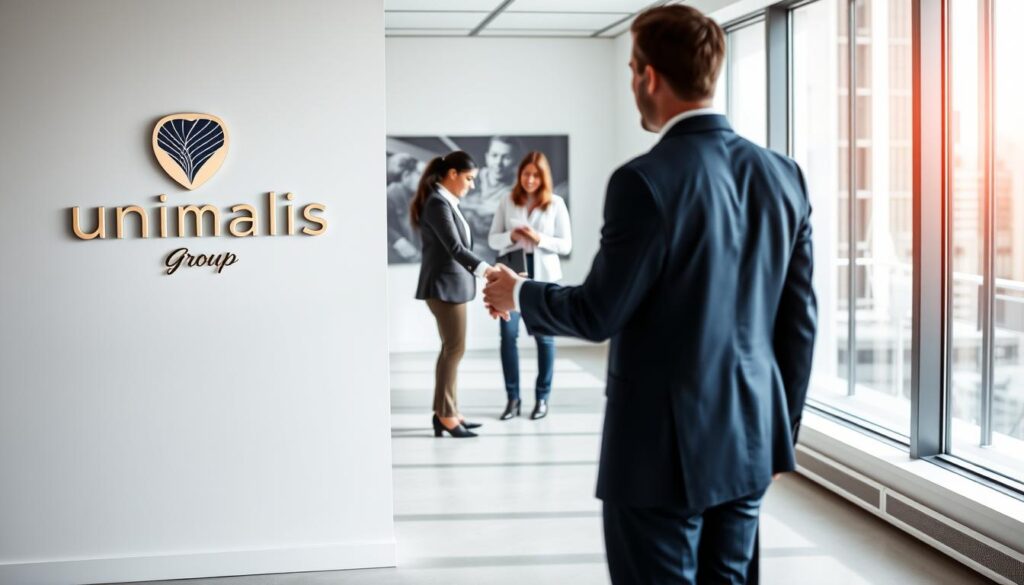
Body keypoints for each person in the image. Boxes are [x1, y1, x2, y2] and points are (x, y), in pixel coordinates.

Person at [483, 5, 816, 584]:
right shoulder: (783, 175)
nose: (633, 81)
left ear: (649, 77)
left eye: (632, 68)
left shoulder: (643, 180)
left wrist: (520, 292)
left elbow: (598, 313)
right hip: (750, 441)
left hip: (661, 453)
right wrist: (779, 437)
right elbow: (799, 323)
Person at [411, 150, 497, 438]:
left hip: (451, 286)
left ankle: (448, 412)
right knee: (454, 350)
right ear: (452, 174)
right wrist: (488, 271)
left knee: (451, 350)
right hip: (443, 287)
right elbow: (456, 248)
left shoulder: (446, 201)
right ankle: (446, 416)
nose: (472, 185)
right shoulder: (438, 203)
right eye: (469, 178)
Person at [488, 152, 572, 421]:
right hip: (515, 273)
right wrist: (511, 236)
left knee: (545, 338)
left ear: (543, 177)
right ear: (520, 174)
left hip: (544, 277)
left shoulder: (556, 203)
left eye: (536, 175)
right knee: (508, 336)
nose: (531, 179)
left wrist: (539, 239)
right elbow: (492, 240)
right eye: (526, 174)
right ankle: (513, 399)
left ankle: (542, 399)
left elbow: (566, 245)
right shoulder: (507, 201)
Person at [461, 136, 521, 263]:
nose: (498, 163)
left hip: (491, 253)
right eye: (494, 155)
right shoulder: (471, 178)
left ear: (515, 161)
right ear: (487, 157)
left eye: (506, 157)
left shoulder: (518, 189)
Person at [386, 153, 424, 263]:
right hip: (403, 261)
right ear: (406, 175)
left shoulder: (414, 195)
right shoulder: (391, 194)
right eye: (419, 174)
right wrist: (399, 242)